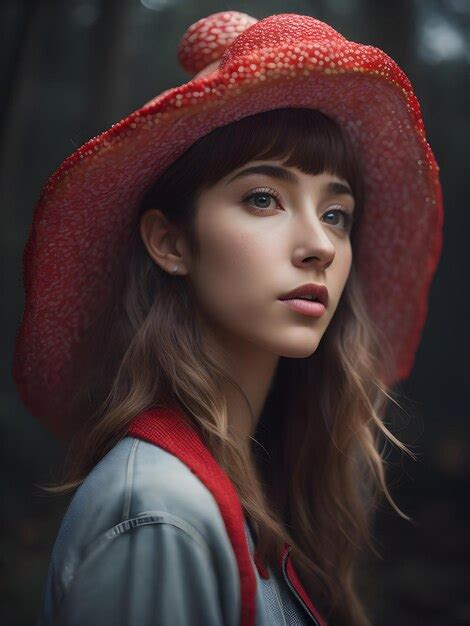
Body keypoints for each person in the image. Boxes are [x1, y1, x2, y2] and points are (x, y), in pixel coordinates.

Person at [12, 10, 443, 626]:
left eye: (336, 214)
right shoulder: (159, 514)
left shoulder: (256, 493)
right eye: (263, 198)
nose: (318, 245)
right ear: (170, 243)